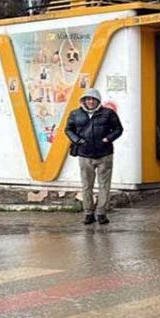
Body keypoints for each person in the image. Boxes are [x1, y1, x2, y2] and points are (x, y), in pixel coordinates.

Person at [64, 88, 122, 225]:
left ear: (98, 101)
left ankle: (101, 213)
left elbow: (118, 129)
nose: (90, 101)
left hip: (105, 154)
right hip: (85, 155)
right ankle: (88, 213)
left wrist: (108, 138)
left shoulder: (108, 113)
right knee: (86, 186)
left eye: (93, 99)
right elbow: (68, 129)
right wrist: (78, 141)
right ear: (83, 100)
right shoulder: (75, 114)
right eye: (88, 99)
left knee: (104, 186)